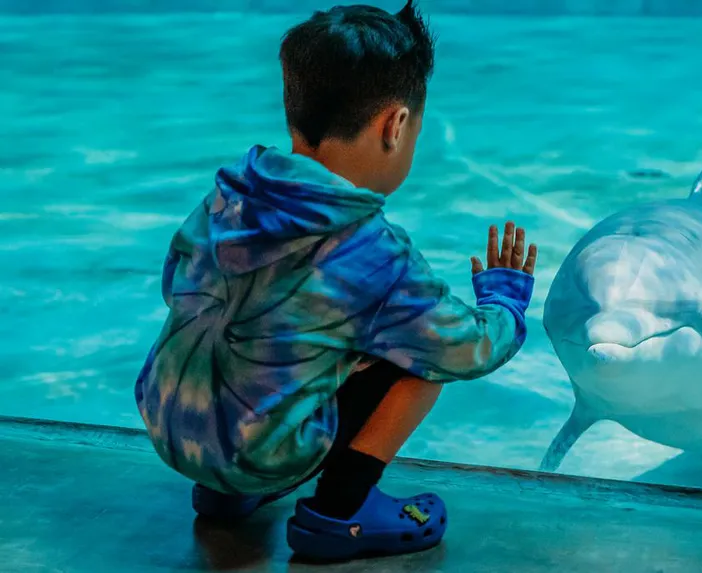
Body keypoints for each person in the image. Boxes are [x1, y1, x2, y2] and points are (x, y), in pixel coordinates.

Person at [133, 1, 538, 562]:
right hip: (258, 451)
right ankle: (340, 512)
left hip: (171, 428)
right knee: (422, 357)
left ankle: (229, 495)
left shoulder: (229, 194)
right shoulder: (371, 253)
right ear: (395, 126)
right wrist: (505, 303)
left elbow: (176, 285)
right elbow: (467, 349)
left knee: (278, 329)